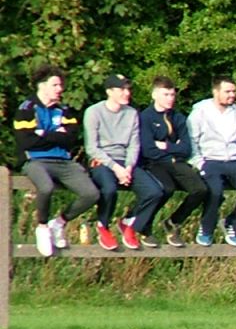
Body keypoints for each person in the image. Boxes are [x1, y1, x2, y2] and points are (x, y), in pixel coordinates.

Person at [12, 64, 99, 257]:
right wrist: (55, 135)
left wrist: (43, 134)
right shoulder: (27, 108)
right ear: (42, 86)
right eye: (55, 85)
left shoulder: (64, 109)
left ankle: (58, 223)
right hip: (35, 160)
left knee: (91, 193)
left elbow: (71, 138)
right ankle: (42, 226)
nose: (60, 89)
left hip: (63, 160)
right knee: (46, 187)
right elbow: (27, 141)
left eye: (60, 85)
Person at [83, 73, 164, 250]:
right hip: (103, 161)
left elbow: (134, 144)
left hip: (126, 162)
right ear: (109, 91)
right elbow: (92, 148)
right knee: (110, 189)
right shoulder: (93, 112)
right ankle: (102, 225)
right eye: (121, 89)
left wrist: (127, 167)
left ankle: (131, 223)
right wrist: (116, 168)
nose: (126, 93)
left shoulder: (132, 113)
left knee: (155, 191)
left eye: (128, 89)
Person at [188, 75, 236, 247]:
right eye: (227, 91)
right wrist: (200, 163)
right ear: (216, 92)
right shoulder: (200, 112)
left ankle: (233, 225)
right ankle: (206, 228)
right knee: (214, 192)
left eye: (234, 91)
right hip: (211, 160)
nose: (232, 95)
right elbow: (192, 141)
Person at [137, 76, 208, 247]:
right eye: (165, 94)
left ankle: (174, 222)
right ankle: (144, 227)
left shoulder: (178, 118)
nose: (170, 99)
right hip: (154, 163)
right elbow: (148, 149)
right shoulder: (145, 117)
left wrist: (165, 146)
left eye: (172, 95)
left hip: (176, 161)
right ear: (155, 95)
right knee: (165, 189)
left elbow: (186, 148)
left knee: (200, 189)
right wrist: (171, 148)